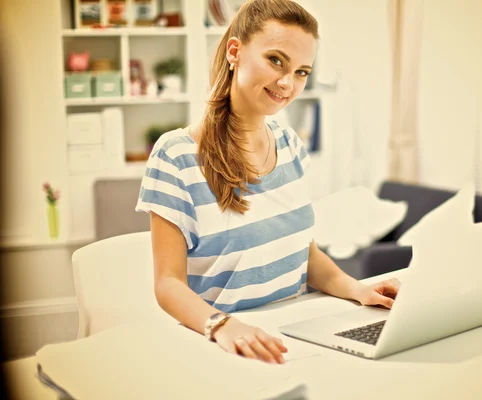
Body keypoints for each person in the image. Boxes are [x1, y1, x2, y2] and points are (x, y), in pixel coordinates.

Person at [135, 0, 400, 365]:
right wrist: (222, 326)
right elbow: (168, 285)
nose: (287, 83)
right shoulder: (176, 156)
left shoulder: (288, 143)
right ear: (235, 52)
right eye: (276, 60)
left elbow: (302, 254)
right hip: (224, 348)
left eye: (301, 71)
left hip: (295, 337)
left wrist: (358, 289)